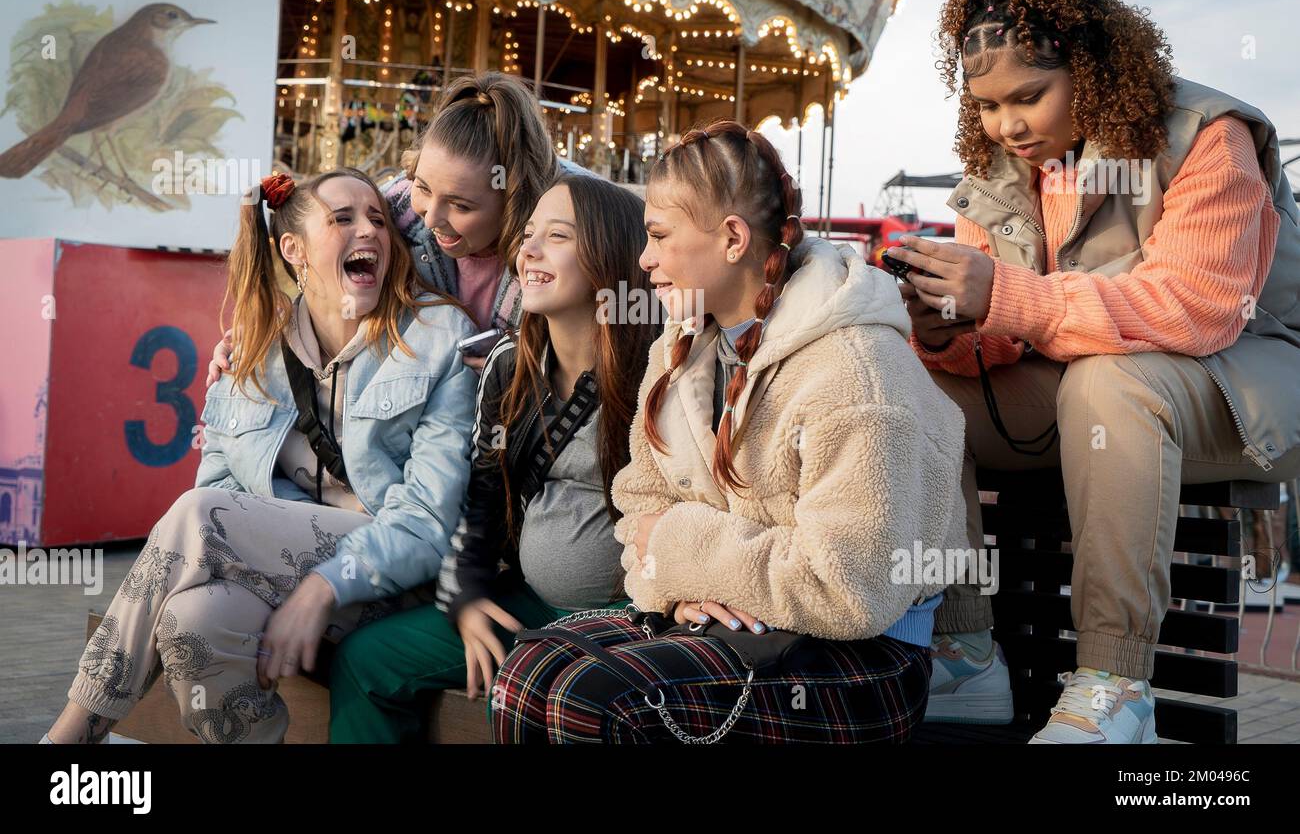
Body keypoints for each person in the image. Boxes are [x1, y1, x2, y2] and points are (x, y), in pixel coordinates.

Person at [887, 0, 1300, 743]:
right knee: (912, 388)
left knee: (1109, 387)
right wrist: (947, 334)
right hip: (1088, 383)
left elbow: (1196, 311)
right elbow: (1014, 332)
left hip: (1255, 378)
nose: (1006, 126)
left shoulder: (1209, 139)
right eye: (986, 106)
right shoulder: (998, 171)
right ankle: (966, 652)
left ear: (1093, 65)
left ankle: (1117, 687)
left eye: (1029, 97)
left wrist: (1000, 297)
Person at [489, 120, 967, 744]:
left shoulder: (856, 371)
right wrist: (679, 588)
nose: (644, 258)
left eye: (658, 235)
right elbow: (639, 505)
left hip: (860, 658)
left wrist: (690, 559)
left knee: (593, 701)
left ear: (733, 238)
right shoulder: (681, 347)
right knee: (528, 671)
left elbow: (850, 584)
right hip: (736, 626)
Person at [41, 168, 478, 743]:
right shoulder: (249, 355)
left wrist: (324, 583)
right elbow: (224, 500)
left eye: (377, 218)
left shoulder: (439, 335)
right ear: (293, 249)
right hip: (280, 587)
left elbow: (427, 525)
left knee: (198, 514)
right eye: (342, 219)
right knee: (191, 621)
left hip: (390, 587)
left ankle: (69, 738)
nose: (368, 230)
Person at [328, 174, 657, 742]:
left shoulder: (654, 367)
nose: (527, 250)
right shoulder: (510, 366)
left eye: (557, 236)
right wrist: (468, 595)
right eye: (527, 234)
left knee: (522, 698)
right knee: (366, 658)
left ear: (610, 257)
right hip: (526, 601)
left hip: (628, 615)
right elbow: (483, 496)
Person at [206, 70, 593, 383]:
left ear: (512, 197)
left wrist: (520, 363)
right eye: (423, 187)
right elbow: (321, 274)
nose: (432, 217)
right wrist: (261, 340)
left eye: (460, 205)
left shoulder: (575, 228)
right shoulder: (395, 211)